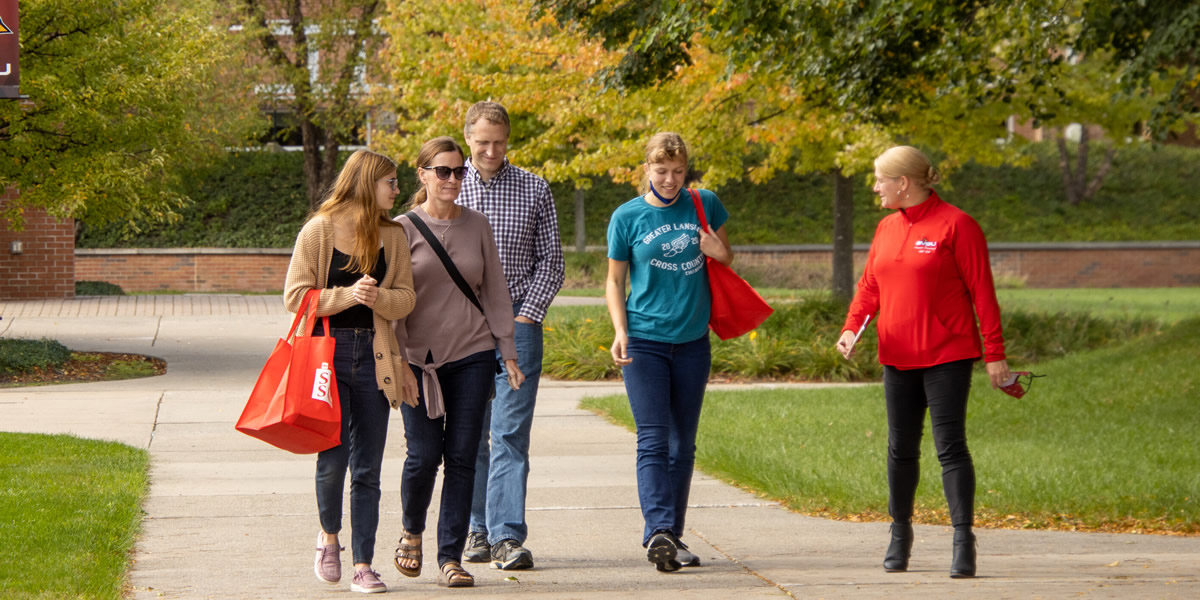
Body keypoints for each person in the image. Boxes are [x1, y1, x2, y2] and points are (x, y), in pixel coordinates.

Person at [835, 145, 1011, 579]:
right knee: (901, 449)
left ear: (904, 183)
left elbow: (983, 294)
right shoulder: (885, 228)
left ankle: (963, 540)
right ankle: (900, 534)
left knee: (950, 447)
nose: (875, 187)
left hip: (948, 354)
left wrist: (995, 354)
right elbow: (870, 286)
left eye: (880, 179)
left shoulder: (958, 225)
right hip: (897, 357)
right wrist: (851, 327)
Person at [391, 136, 525, 589]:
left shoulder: (478, 225)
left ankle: (451, 556)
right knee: (423, 456)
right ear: (423, 175)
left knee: (463, 456)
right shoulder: (400, 229)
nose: (452, 179)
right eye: (442, 171)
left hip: (471, 353)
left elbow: (494, 293)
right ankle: (412, 530)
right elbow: (392, 302)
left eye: (458, 171)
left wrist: (507, 351)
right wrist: (398, 361)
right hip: (417, 361)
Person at [283, 149, 417, 594]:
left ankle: (363, 564)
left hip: (375, 358)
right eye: (390, 182)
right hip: (328, 356)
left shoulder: (392, 235)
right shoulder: (318, 231)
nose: (396, 190)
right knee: (333, 457)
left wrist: (379, 300)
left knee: (368, 468)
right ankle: (329, 539)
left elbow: (406, 298)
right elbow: (296, 297)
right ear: (366, 182)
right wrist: (347, 295)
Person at [604, 132, 732, 572]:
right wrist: (620, 331)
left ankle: (671, 538)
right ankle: (658, 529)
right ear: (647, 169)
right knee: (654, 440)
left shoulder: (705, 203)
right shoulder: (628, 217)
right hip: (644, 340)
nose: (671, 180)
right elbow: (615, 281)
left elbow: (725, 257)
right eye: (662, 171)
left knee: (683, 446)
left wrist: (720, 252)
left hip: (693, 341)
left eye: (679, 172)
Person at [457, 101, 565, 570]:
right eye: (483, 141)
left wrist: (526, 317)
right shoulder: (447, 186)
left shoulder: (534, 188)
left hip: (519, 322)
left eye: (499, 141)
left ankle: (506, 536)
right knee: (470, 434)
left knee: (510, 433)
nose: (491, 150)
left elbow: (552, 262)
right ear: (468, 139)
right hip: (463, 328)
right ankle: (476, 529)